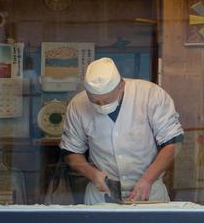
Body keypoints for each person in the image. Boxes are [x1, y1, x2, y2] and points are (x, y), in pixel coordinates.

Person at [59, 57, 184, 204]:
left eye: (107, 100)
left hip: (149, 191)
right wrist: (93, 174)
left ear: (122, 86)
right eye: (94, 100)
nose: (101, 105)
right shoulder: (77, 104)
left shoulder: (151, 95)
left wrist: (147, 180)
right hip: (101, 194)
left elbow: (173, 143)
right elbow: (71, 151)